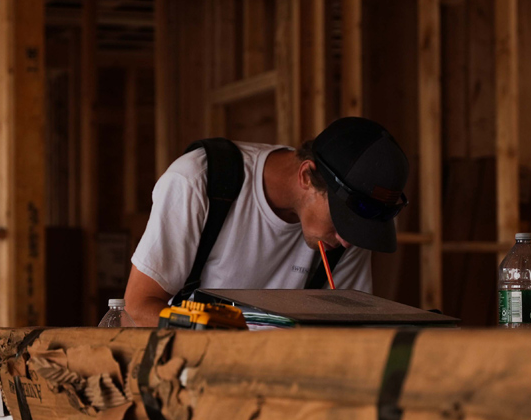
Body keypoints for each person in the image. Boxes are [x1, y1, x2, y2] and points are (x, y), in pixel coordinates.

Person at [123, 117, 412, 326]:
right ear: (306, 176)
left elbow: (347, 329)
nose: (348, 240)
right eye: (343, 221)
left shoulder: (347, 233)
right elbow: (139, 307)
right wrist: (210, 332)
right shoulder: (199, 181)